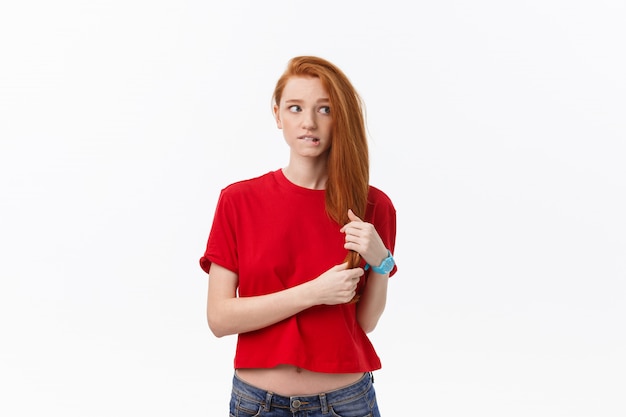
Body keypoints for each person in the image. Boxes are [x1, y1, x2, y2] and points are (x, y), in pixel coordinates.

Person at [199, 55, 397, 416]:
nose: (309, 122)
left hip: (346, 402)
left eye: (325, 109)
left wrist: (381, 263)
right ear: (277, 115)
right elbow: (220, 318)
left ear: (341, 117)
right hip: (257, 404)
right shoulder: (238, 201)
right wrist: (314, 293)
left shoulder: (374, 206)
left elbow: (365, 323)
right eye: (295, 108)